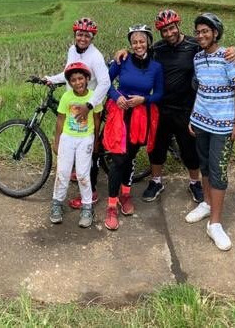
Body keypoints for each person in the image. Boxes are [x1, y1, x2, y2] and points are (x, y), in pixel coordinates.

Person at [115, 9, 235, 205]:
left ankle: (194, 182)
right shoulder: (157, 49)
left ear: (178, 26)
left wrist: (232, 50)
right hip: (161, 106)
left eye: (171, 28)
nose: (169, 33)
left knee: (189, 148)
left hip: (187, 108)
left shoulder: (193, 45)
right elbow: (140, 52)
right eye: (164, 30)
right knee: (157, 147)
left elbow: (212, 48)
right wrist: (124, 52)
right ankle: (156, 181)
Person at [184, 13, 235, 251]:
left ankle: (215, 224)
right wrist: (193, 117)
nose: (201, 35)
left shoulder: (228, 57)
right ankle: (207, 204)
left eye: (205, 31)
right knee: (205, 166)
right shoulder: (198, 59)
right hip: (201, 122)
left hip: (223, 125)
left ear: (216, 33)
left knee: (218, 172)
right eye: (198, 32)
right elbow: (200, 90)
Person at [101, 24, 164, 231]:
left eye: (141, 41)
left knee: (130, 156)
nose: (138, 45)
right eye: (134, 42)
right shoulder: (122, 60)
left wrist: (143, 100)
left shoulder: (156, 68)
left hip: (140, 117)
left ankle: (125, 194)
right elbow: (106, 83)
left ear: (148, 42)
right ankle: (111, 205)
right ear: (130, 44)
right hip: (120, 114)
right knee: (118, 159)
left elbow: (159, 95)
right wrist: (117, 97)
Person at [43, 17, 110, 206]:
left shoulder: (95, 57)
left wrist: (89, 105)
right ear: (75, 35)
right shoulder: (72, 50)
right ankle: (78, 169)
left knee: (91, 143)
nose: (82, 38)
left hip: (90, 105)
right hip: (72, 102)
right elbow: (68, 73)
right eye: (79, 34)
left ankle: (93, 191)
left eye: (87, 36)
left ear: (92, 38)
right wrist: (50, 79)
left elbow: (105, 82)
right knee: (72, 136)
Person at [49, 62, 96, 227]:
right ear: (70, 82)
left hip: (86, 138)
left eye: (81, 78)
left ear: (87, 78)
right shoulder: (67, 97)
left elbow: (97, 120)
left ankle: (87, 206)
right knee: (63, 173)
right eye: (74, 80)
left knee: (83, 174)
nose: (78, 82)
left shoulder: (94, 97)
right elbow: (60, 120)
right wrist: (57, 142)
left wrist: (95, 140)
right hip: (68, 138)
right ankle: (57, 203)